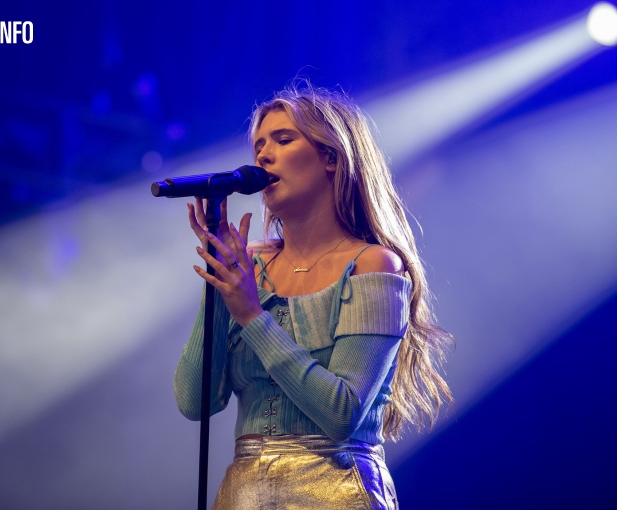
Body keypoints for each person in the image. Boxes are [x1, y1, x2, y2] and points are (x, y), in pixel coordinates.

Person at [174, 83, 452, 510]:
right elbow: (194, 401)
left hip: (337, 493)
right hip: (243, 496)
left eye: (283, 140)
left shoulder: (374, 265)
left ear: (331, 158)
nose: (263, 156)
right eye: (259, 146)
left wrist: (252, 315)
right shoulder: (249, 268)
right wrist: (219, 279)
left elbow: (342, 414)